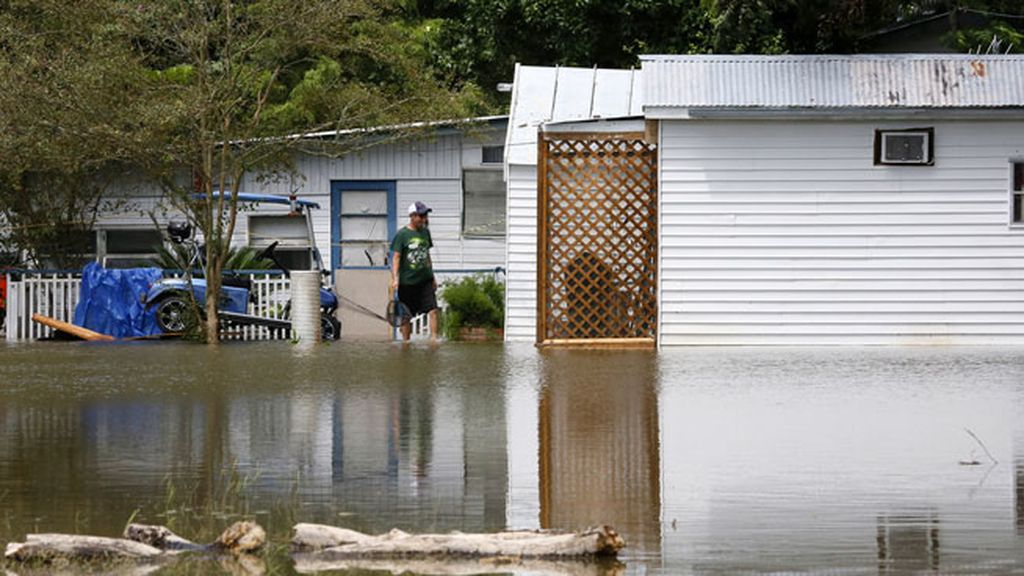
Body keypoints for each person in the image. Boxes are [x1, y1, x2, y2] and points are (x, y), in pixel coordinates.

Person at [390, 201, 439, 340]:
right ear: (412, 216)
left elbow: (427, 255)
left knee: (433, 310)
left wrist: (433, 277)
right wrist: (395, 279)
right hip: (407, 283)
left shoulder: (425, 232)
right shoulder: (402, 234)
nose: (424, 219)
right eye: (421, 216)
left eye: (425, 216)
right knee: (406, 315)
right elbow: (396, 257)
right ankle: (406, 344)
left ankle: (434, 341)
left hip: (425, 281)